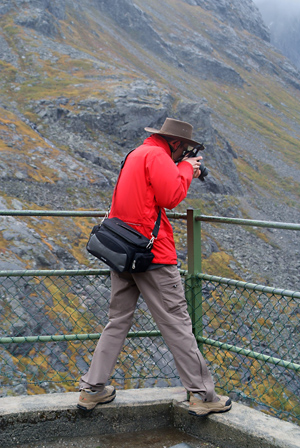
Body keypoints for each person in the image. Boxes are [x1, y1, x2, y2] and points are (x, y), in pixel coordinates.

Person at [77, 118, 232, 417]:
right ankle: (202, 395)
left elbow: (148, 196)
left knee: (118, 320)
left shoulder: (136, 154)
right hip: (153, 256)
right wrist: (187, 169)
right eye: (184, 148)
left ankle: (92, 389)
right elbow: (170, 197)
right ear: (175, 143)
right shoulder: (158, 156)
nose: (185, 153)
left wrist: (181, 167)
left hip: (123, 251)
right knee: (177, 324)